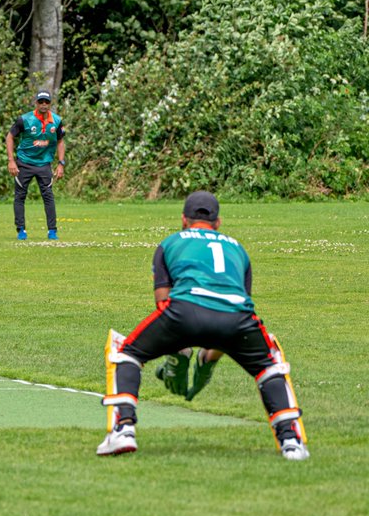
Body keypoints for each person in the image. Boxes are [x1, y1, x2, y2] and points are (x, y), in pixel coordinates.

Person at [98, 191, 309, 460]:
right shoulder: (237, 248)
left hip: (184, 311)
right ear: (218, 223)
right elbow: (237, 304)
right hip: (238, 319)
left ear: (184, 219)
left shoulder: (171, 242)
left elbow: (163, 301)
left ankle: (122, 430)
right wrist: (209, 357)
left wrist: (176, 346)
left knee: (126, 351)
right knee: (269, 364)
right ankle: (292, 442)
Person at [5, 90, 65, 240]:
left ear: (50, 103)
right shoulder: (24, 120)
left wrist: (61, 163)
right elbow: (10, 137)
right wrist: (11, 160)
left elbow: (60, 141)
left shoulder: (56, 121)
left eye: (46, 102)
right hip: (24, 163)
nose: (43, 105)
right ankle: (21, 231)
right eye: (41, 102)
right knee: (20, 196)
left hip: (44, 163)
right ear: (36, 103)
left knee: (48, 197)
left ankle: (52, 231)